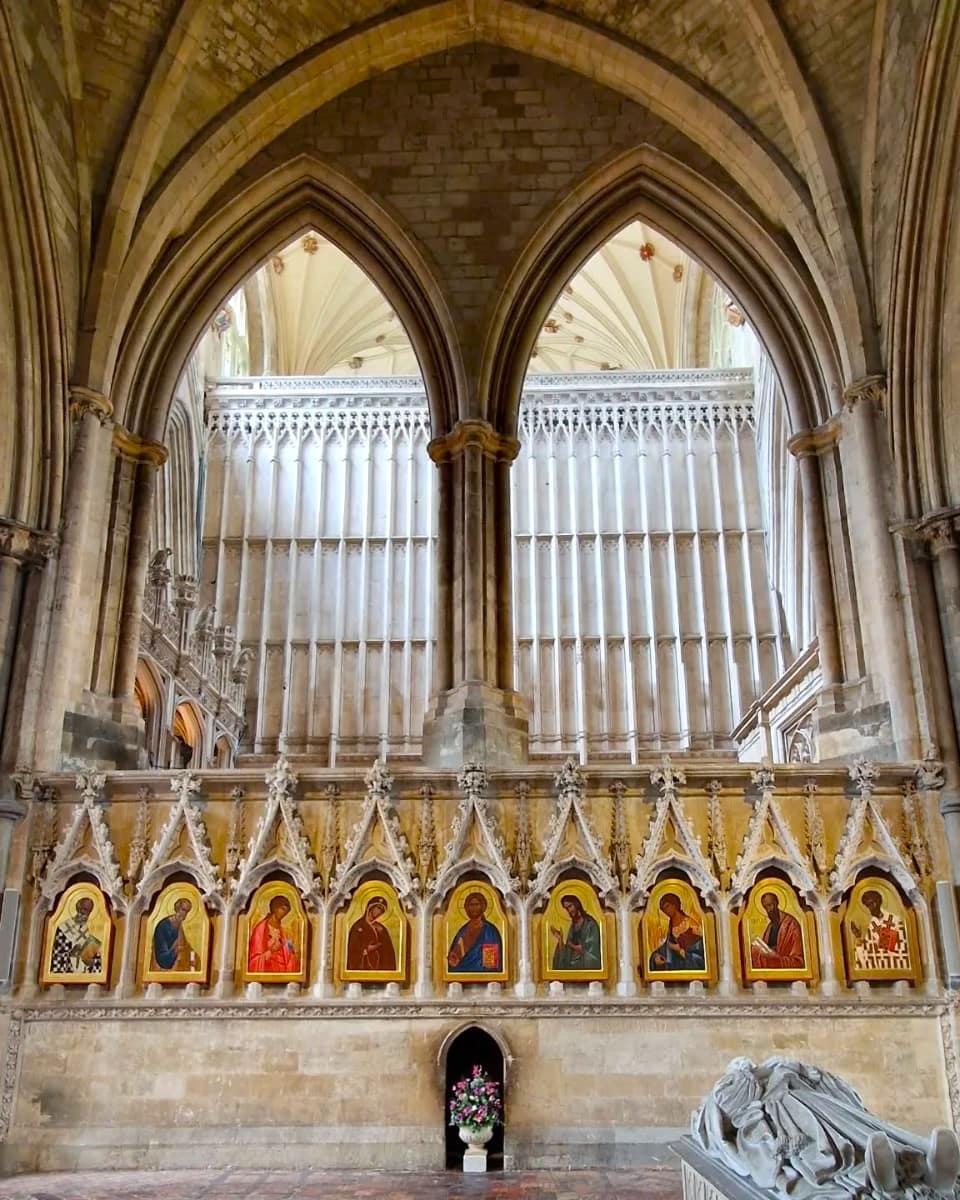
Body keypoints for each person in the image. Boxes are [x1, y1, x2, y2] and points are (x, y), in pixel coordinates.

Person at [851, 889, 910, 972]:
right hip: (878, 966)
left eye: (871, 903)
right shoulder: (872, 924)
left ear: (879, 902)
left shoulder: (894, 919)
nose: (870, 908)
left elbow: (890, 947)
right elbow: (869, 950)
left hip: (896, 965)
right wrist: (858, 939)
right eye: (867, 905)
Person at [648, 892, 705, 972]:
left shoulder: (690, 924)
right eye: (663, 910)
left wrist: (680, 951)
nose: (665, 911)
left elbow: (701, 954)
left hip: (689, 965)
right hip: (674, 967)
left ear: (674, 904)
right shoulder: (670, 929)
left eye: (667, 906)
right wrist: (656, 956)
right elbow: (666, 947)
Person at [447, 891, 502, 973]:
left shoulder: (489, 931)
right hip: (461, 974)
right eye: (471, 905)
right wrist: (453, 959)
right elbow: (455, 956)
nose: (474, 908)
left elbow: (491, 963)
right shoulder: (463, 930)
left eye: (477, 904)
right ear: (467, 908)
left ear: (482, 907)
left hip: (484, 975)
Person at [750, 890, 805, 970]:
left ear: (777, 903)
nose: (769, 910)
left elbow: (798, 961)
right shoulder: (770, 927)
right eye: (765, 907)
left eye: (770, 905)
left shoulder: (791, 925)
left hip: (786, 968)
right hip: (773, 968)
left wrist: (776, 957)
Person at [247, 894, 301, 974]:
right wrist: (272, 950)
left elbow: (289, 952)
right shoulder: (261, 929)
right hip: (266, 969)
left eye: (287, 911)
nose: (284, 913)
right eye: (283, 909)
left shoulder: (284, 931)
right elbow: (254, 961)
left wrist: (291, 948)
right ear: (275, 908)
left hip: (282, 972)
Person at [50, 896, 102, 975]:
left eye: (89, 911)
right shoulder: (63, 927)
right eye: (84, 909)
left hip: (83, 975)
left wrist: (90, 962)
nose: (85, 914)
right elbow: (57, 954)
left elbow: (95, 961)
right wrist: (71, 952)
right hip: (66, 972)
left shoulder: (88, 932)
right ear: (78, 908)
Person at [551, 893, 602, 971]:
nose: (569, 911)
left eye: (570, 906)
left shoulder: (590, 924)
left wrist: (575, 947)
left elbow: (593, 953)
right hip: (573, 967)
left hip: (585, 966)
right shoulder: (573, 926)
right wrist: (560, 939)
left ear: (577, 904)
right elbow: (567, 953)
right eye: (566, 908)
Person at [346, 895, 397, 972]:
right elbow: (352, 950)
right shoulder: (358, 926)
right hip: (364, 967)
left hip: (379, 967)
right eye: (378, 908)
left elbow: (389, 952)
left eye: (382, 911)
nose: (379, 912)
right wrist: (366, 949)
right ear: (370, 907)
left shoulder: (381, 928)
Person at [151, 897, 197, 972]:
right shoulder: (163, 925)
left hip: (175, 958)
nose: (184, 914)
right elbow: (162, 954)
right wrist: (176, 948)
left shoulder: (179, 926)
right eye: (183, 910)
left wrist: (190, 958)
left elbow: (184, 945)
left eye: (187, 911)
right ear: (177, 908)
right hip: (164, 959)